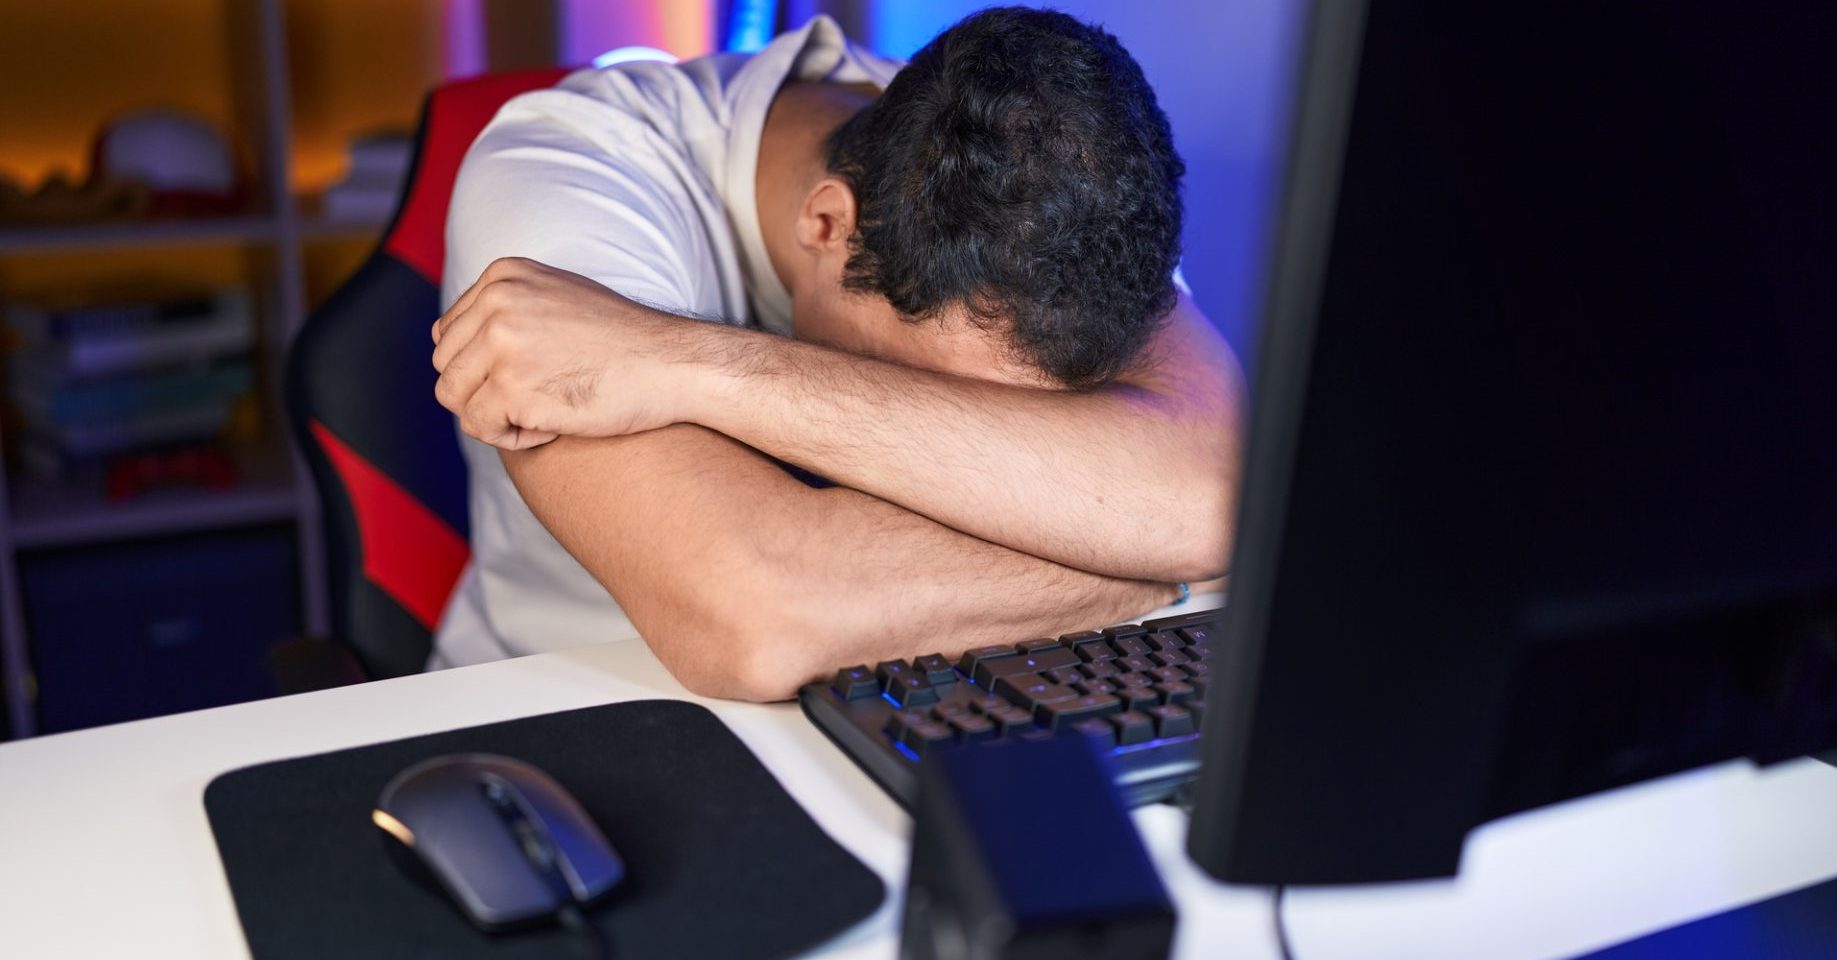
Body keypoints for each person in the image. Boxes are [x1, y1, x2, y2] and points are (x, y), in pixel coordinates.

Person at [428, 7, 1243, 700]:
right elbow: (764, 617)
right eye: (936, 390)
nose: (985, 443)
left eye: (1019, 419)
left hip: (930, 697)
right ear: (828, 223)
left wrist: (686, 362)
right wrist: (1141, 551)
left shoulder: (1053, 183)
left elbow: (1218, 497)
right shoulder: (564, 171)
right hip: (568, 719)